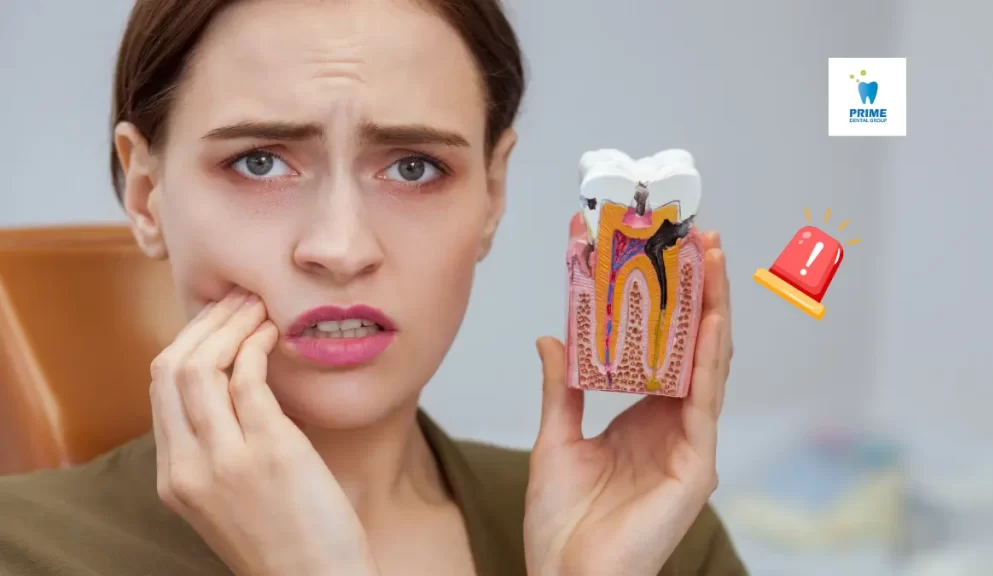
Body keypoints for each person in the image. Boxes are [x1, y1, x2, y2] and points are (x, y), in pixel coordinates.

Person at [0, 0, 745, 574]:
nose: (341, 248)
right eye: (260, 162)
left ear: (492, 192)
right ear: (145, 193)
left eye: (414, 167)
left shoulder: (651, 531)